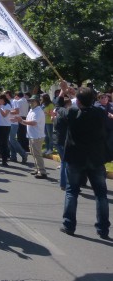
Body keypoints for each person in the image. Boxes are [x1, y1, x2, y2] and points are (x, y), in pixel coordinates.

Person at [59, 83, 110, 240]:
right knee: (101, 195)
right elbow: (88, 106)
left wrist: (63, 93)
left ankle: (69, 225)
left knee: (71, 192)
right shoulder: (100, 113)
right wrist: (76, 95)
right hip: (96, 158)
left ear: (79, 102)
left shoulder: (72, 113)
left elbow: (59, 110)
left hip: (76, 159)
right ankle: (103, 229)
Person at [13, 95, 47, 179]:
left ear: (37, 102)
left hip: (37, 136)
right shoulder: (32, 110)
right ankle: (37, 169)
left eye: (32, 101)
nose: (30, 103)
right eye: (30, 101)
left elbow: (33, 123)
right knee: (34, 153)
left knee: (37, 154)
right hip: (32, 135)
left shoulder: (38, 111)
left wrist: (21, 120)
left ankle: (42, 172)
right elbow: (27, 121)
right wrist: (20, 120)